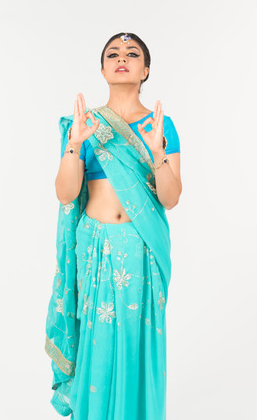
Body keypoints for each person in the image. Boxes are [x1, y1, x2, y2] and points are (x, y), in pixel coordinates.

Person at [44, 32, 182, 420]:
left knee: (137, 344)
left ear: (145, 70)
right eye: (113, 54)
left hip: (141, 250)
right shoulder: (84, 125)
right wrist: (73, 145)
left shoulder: (161, 125)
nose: (122, 58)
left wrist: (158, 155)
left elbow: (170, 199)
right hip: (98, 249)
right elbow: (66, 194)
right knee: (98, 341)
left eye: (132, 53)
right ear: (102, 69)